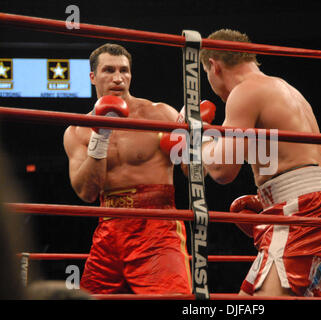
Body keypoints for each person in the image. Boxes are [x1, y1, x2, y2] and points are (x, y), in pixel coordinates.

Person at [199, 29, 321, 297]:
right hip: (308, 208)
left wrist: (200, 136)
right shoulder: (284, 88)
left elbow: (222, 170)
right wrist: (267, 199)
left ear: (213, 65)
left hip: (300, 214)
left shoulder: (244, 92)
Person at [63, 43, 211, 294]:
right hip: (108, 230)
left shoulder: (160, 115)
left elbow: (195, 174)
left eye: (124, 70)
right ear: (92, 77)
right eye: (109, 70)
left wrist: (197, 141)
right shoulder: (77, 131)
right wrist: (101, 136)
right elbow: (86, 193)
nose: (118, 78)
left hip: (157, 227)